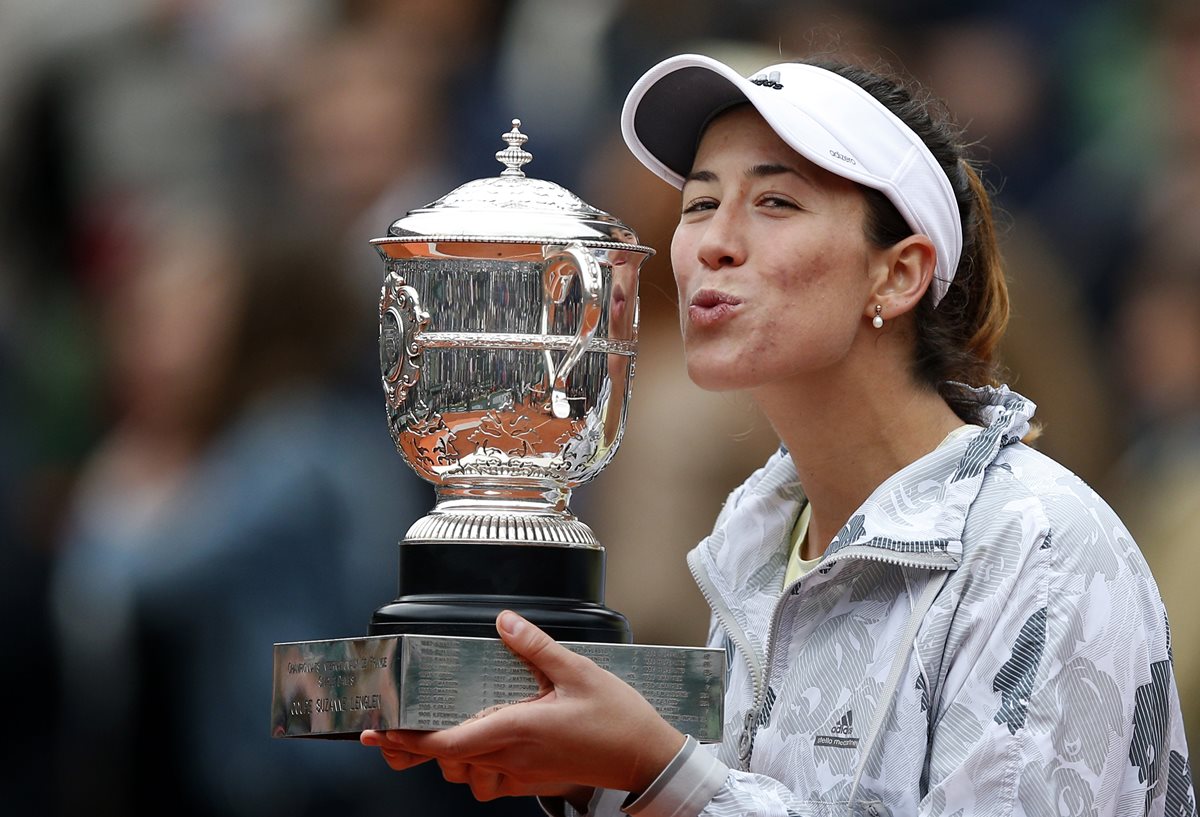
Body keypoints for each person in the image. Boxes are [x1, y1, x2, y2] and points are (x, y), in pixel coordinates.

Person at [361, 54, 1196, 816]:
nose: (713, 244)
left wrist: (663, 772)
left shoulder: (1039, 544)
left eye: (775, 202)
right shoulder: (756, 537)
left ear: (897, 273)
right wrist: (598, 778)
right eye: (699, 204)